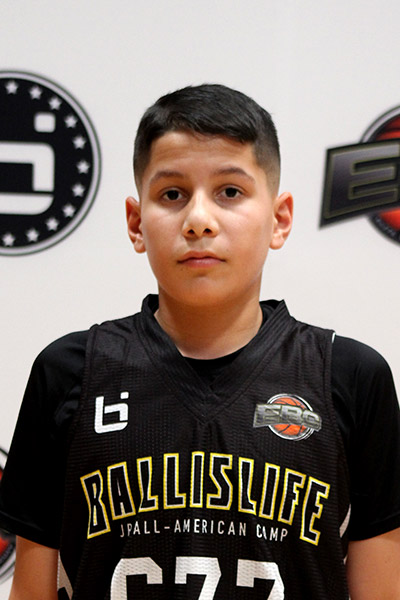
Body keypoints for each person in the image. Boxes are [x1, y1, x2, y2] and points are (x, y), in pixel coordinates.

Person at [1, 84, 400, 600]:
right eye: (172, 194)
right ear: (136, 222)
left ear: (279, 219)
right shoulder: (69, 373)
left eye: (230, 192)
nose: (198, 220)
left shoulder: (349, 378)